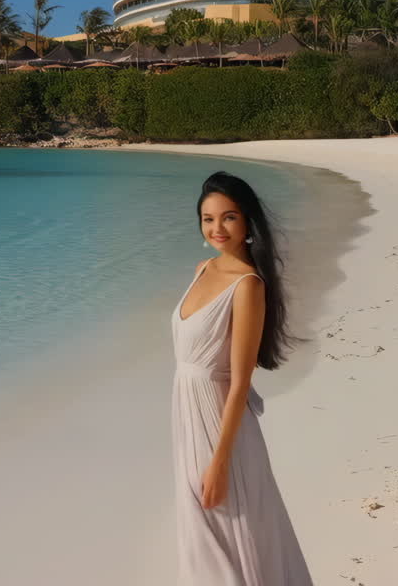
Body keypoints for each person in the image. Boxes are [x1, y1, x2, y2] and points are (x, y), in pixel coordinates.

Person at [171, 170, 313, 585]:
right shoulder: (201, 269)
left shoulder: (248, 286)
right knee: (204, 536)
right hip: (187, 415)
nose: (217, 228)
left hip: (221, 426)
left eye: (229, 217)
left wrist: (220, 462)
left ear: (248, 222)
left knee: (231, 534)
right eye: (208, 218)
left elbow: (238, 382)